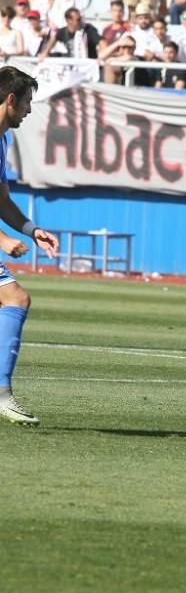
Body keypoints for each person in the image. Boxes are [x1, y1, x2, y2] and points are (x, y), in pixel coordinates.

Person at [0, 67, 60, 425]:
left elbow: (1, 199)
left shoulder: (3, 138)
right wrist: (3, 239)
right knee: (15, 298)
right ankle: (2, 395)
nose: (28, 110)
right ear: (10, 100)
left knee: (14, 298)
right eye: (26, 102)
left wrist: (30, 229)